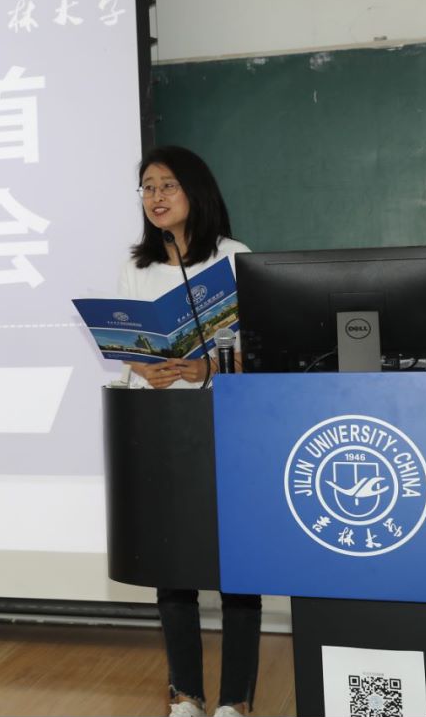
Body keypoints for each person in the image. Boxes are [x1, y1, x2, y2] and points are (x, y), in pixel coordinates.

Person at [119, 146, 261, 716]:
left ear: (195, 191)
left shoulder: (233, 258)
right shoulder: (136, 266)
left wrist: (210, 369)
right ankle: (185, 693)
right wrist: (141, 367)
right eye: (148, 187)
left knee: (236, 565)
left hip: (227, 424)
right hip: (162, 425)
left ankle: (236, 699)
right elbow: (127, 345)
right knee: (172, 563)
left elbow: (262, 347)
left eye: (167, 185)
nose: (156, 197)